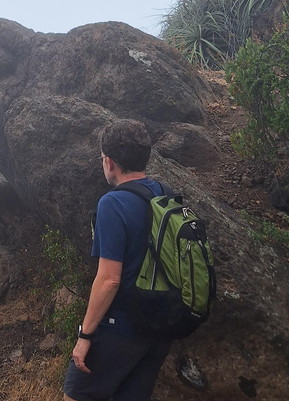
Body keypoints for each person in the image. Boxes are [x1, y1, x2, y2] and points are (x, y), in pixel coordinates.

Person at [63, 119, 172, 401]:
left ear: (109, 162)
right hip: (158, 329)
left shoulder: (113, 203)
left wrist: (84, 337)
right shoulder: (165, 195)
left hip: (120, 327)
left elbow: (109, 279)